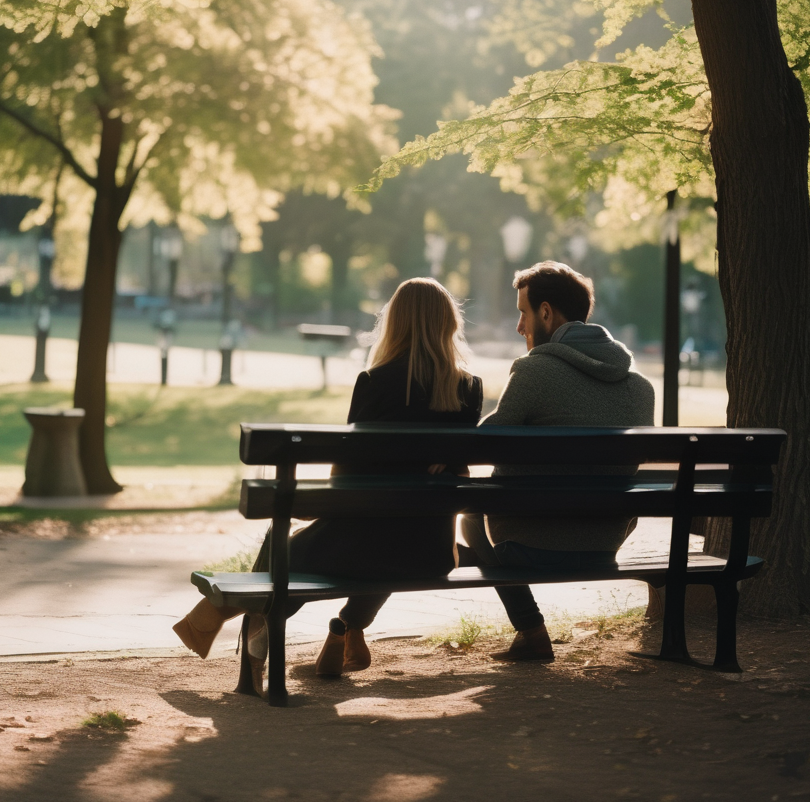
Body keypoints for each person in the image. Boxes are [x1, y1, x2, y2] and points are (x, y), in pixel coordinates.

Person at [172, 277, 483, 693]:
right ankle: (222, 618)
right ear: (448, 324)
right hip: (429, 552)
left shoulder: (375, 382)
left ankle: (228, 627)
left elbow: (346, 476)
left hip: (367, 542)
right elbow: (458, 472)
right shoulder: (469, 389)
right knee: (360, 543)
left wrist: (321, 508)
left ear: (397, 323)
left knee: (282, 549)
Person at [462, 260, 654, 663]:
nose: (520, 327)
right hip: (604, 545)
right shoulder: (640, 388)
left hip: (531, 546)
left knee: (467, 518)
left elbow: (482, 442)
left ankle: (531, 630)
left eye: (523, 313)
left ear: (546, 312)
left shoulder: (535, 372)